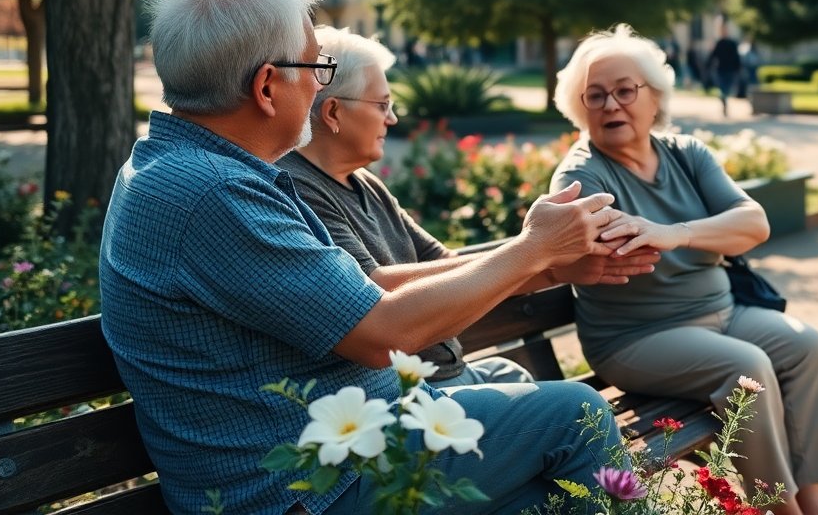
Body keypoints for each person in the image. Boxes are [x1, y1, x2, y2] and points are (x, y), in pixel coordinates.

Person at [99, 0, 638, 515]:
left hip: (342, 454)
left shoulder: (185, 169)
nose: (317, 84)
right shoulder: (211, 193)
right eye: (315, 66)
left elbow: (361, 292)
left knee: (537, 465)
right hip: (308, 491)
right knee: (577, 414)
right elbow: (382, 332)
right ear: (266, 87)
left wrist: (541, 263)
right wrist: (534, 248)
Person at [550, 24, 818, 515]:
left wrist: (675, 232)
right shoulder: (582, 175)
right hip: (637, 337)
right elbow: (574, 251)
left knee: (807, 346)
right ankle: (782, 510)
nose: (610, 106)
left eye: (624, 91)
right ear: (581, 109)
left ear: (654, 97)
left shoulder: (686, 153)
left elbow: (753, 223)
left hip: (722, 313)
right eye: (594, 97)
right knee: (745, 368)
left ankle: (815, 507)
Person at [281, 26, 657, 388]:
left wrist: (556, 268)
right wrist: (536, 250)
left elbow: (445, 261)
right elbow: (374, 288)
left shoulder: (365, 183)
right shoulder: (299, 188)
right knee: (574, 407)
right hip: (414, 394)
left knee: (529, 387)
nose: (392, 118)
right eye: (383, 104)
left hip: (449, 375)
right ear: (333, 113)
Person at [707, 22, 743, 117]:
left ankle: (724, 100)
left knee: (727, 88)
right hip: (721, 69)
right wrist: (708, 65)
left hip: (730, 69)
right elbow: (713, 56)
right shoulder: (719, 43)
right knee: (722, 88)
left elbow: (736, 57)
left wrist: (738, 68)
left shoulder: (732, 43)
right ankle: (724, 100)